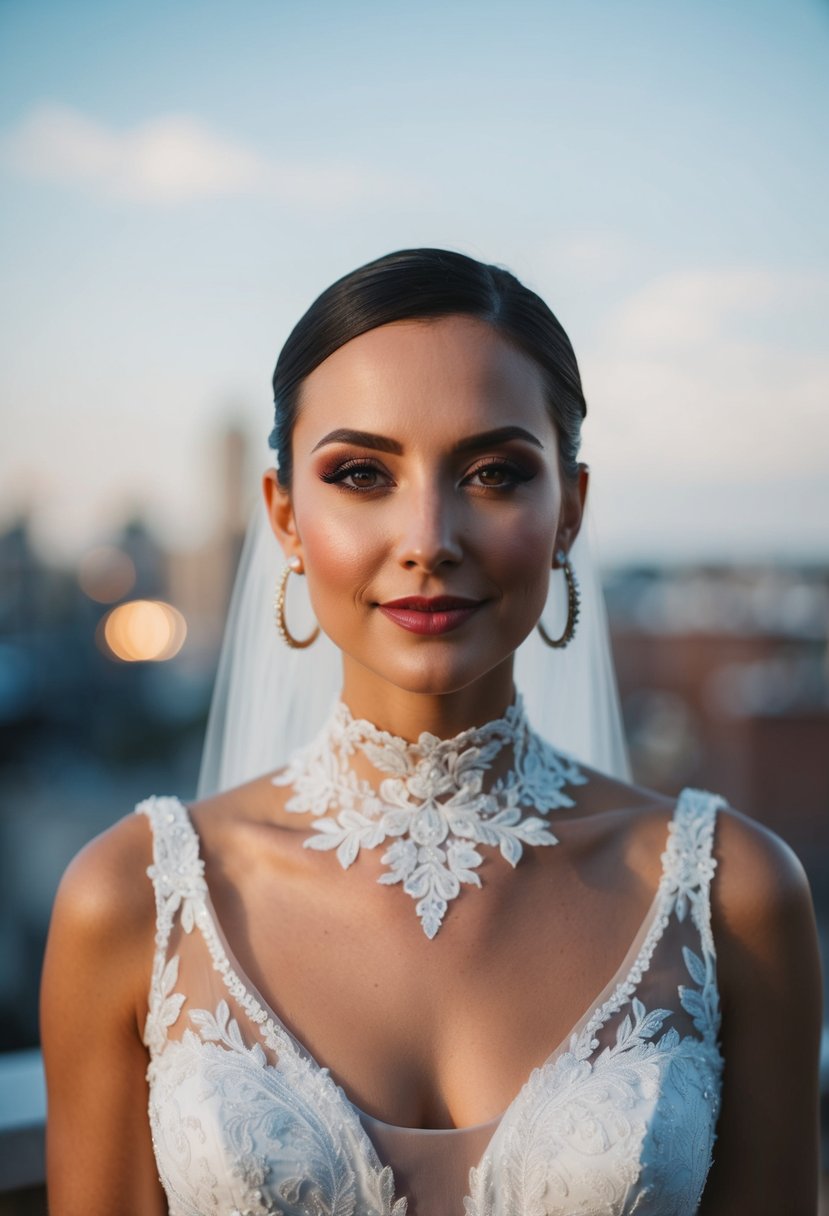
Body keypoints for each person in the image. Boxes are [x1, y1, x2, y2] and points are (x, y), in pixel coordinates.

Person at [41, 249, 822, 1215]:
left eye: (493, 472)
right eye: (362, 473)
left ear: (569, 511)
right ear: (284, 516)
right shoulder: (130, 903)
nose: (427, 538)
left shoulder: (733, 895)